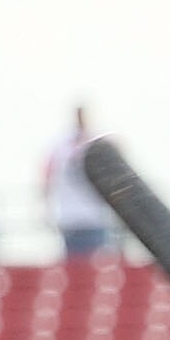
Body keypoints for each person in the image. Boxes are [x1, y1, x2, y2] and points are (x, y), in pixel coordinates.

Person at [44, 105, 112, 257]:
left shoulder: (99, 143)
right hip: (70, 216)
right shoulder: (60, 146)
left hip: (94, 216)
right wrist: (46, 207)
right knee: (74, 265)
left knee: (96, 264)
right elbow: (47, 177)